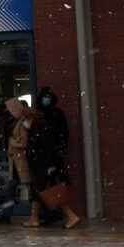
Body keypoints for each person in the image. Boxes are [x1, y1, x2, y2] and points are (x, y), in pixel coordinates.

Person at [26, 92, 82, 229]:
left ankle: (70, 216)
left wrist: (50, 164)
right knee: (39, 190)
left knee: (48, 190)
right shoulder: (39, 126)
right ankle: (34, 217)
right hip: (43, 163)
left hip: (44, 163)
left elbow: (47, 145)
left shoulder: (40, 126)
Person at [0, 97, 35, 224]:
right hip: (17, 161)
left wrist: (12, 143)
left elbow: (24, 143)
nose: (10, 112)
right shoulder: (17, 122)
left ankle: (35, 214)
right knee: (13, 189)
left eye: (11, 110)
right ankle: (7, 215)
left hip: (20, 161)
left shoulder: (22, 123)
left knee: (16, 189)